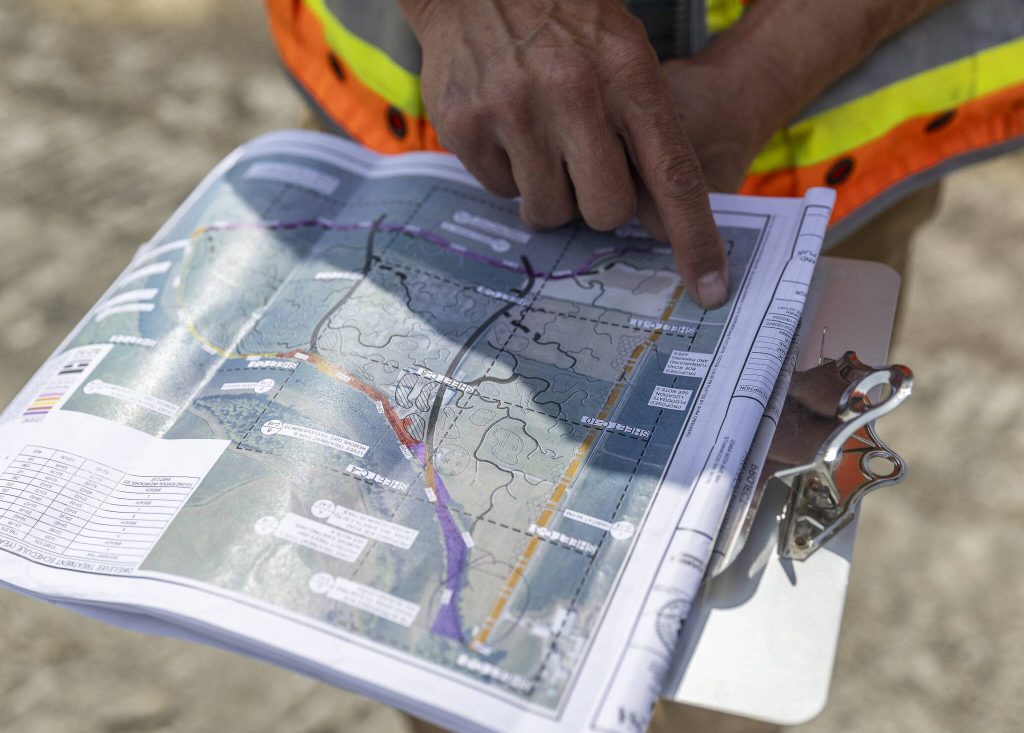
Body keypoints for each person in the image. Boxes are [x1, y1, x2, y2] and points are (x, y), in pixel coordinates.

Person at [263, 1, 1024, 729]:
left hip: (805, 189)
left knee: (705, 678)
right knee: (423, 628)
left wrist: (758, 78)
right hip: (420, 143)